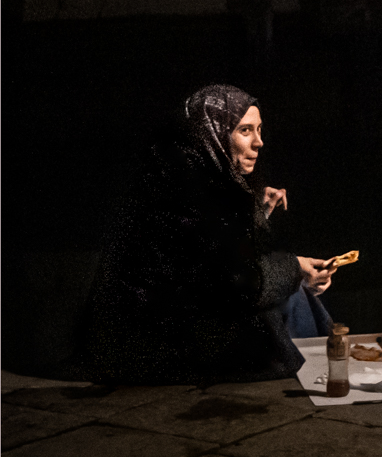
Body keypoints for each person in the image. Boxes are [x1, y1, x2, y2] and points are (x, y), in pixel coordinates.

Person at [83, 84, 339, 384]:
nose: (259, 142)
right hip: (159, 340)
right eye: (245, 131)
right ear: (213, 134)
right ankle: (321, 373)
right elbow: (239, 283)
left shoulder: (193, 176)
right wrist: (296, 269)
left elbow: (223, 259)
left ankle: (322, 368)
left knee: (291, 290)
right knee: (285, 297)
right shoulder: (187, 190)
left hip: (185, 318)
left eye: (259, 130)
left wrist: (258, 215)